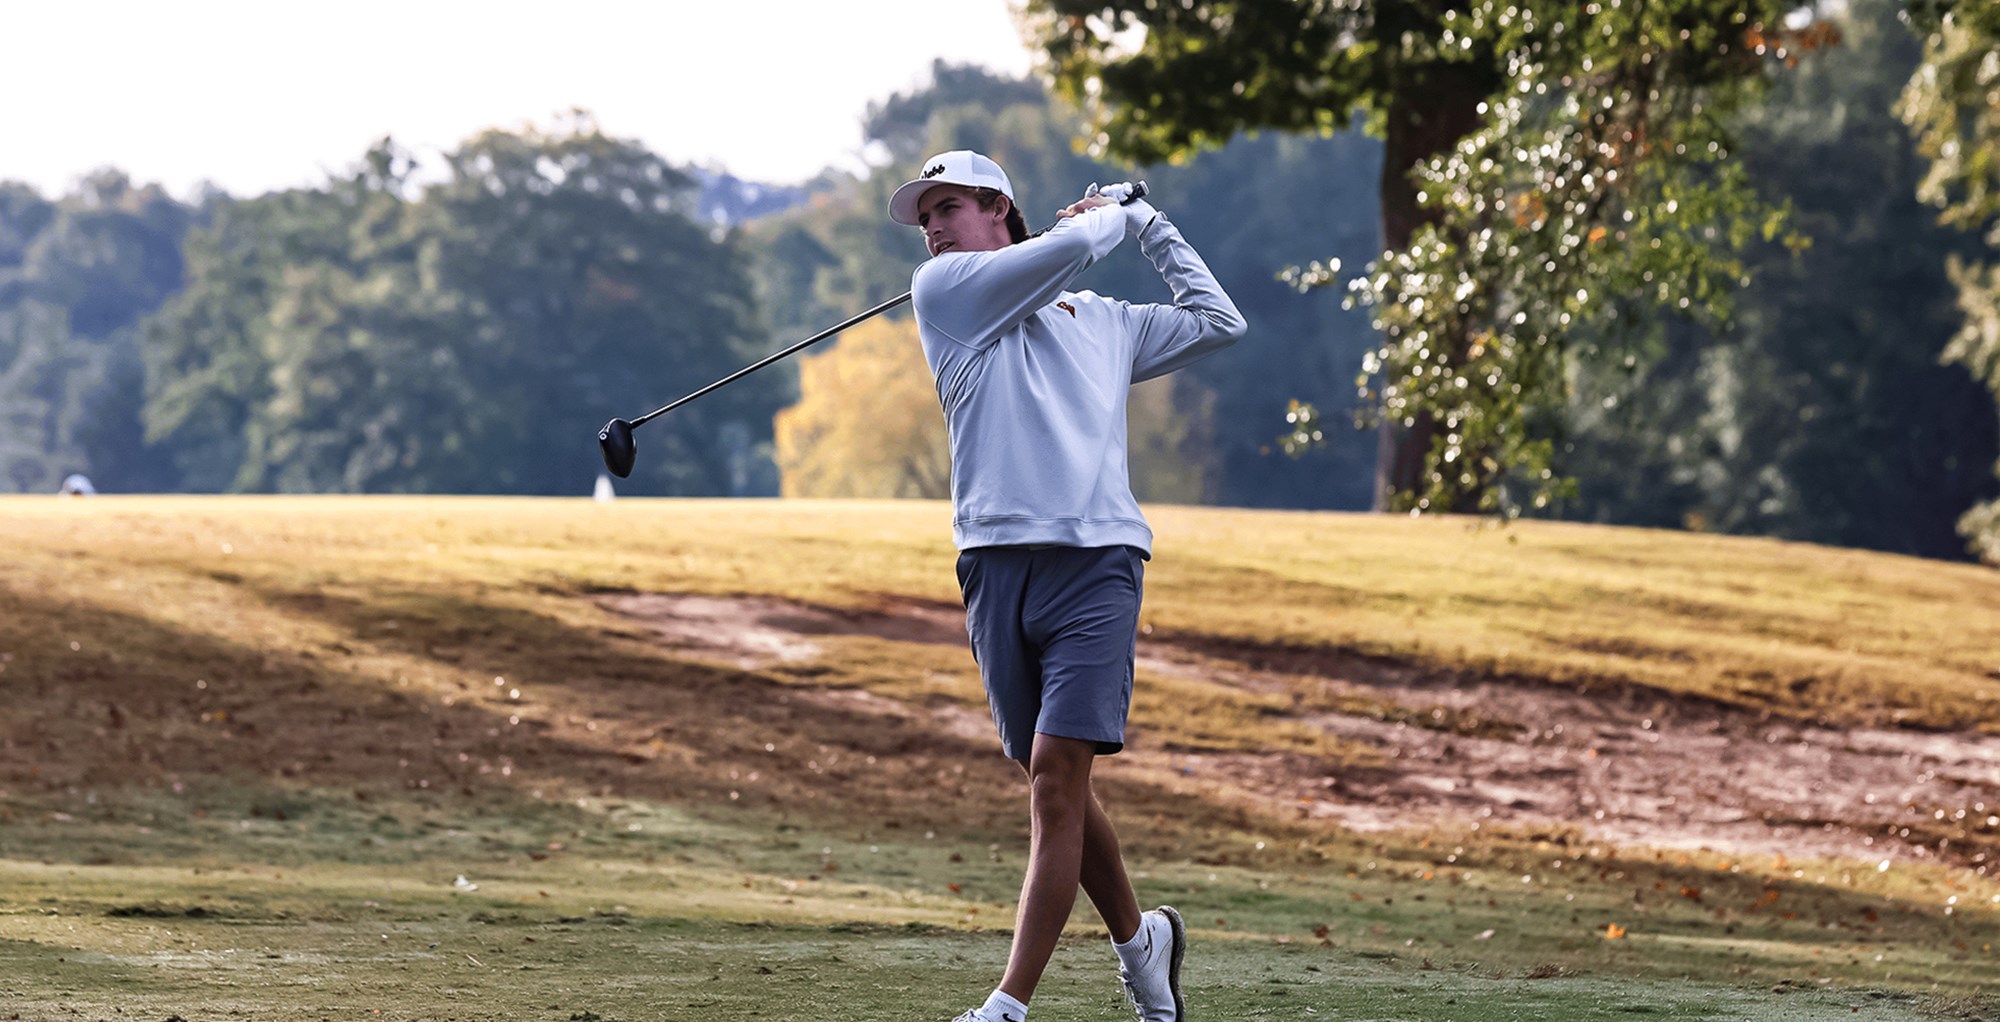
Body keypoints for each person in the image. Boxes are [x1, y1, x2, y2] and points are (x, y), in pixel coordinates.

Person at [888, 150, 1246, 1022]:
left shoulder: (1106, 320)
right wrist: (1108, 217)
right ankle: (1142, 943)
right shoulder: (943, 293)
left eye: (949, 207)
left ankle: (1009, 1006)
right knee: (1058, 784)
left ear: (998, 207)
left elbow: (1218, 321)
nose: (932, 227)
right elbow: (1068, 250)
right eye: (925, 214)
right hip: (994, 564)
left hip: (1098, 563)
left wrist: (1151, 226)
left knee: (1055, 775)